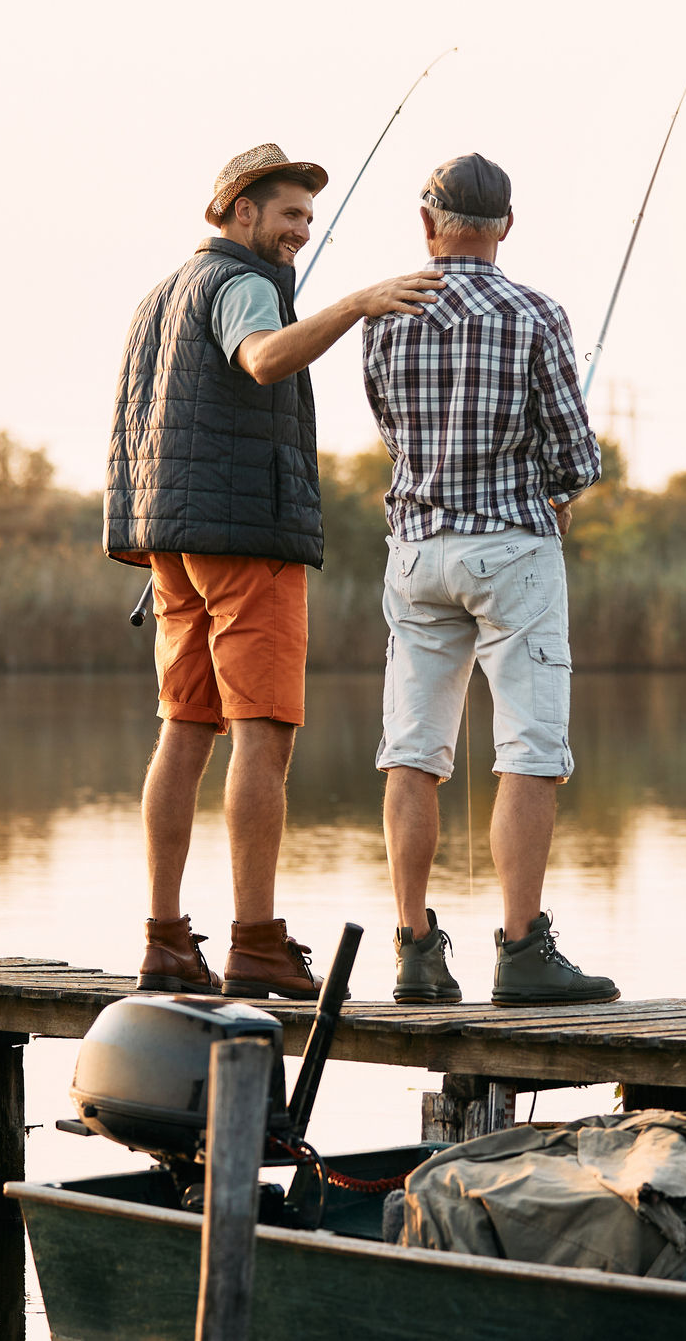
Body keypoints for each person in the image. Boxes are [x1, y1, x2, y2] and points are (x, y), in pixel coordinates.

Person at [105, 143, 442, 999]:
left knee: (185, 727)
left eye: (308, 217)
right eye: (290, 213)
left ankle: (165, 940)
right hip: (244, 535)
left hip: (169, 539)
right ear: (240, 209)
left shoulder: (161, 294)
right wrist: (357, 303)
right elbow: (261, 359)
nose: (301, 230)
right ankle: (255, 942)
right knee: (263, 731)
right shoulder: (241, 284)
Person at [362, 153, 618, 1006]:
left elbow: (391, 432)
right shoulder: (535, 313)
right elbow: (576, 455)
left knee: (412, 750)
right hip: (510, 551)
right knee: (529, 750)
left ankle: (414, 949)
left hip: (414, 553)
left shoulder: (383, 317)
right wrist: (555, 491)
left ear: (426, 223)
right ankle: (521, 952)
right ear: (506, 224)